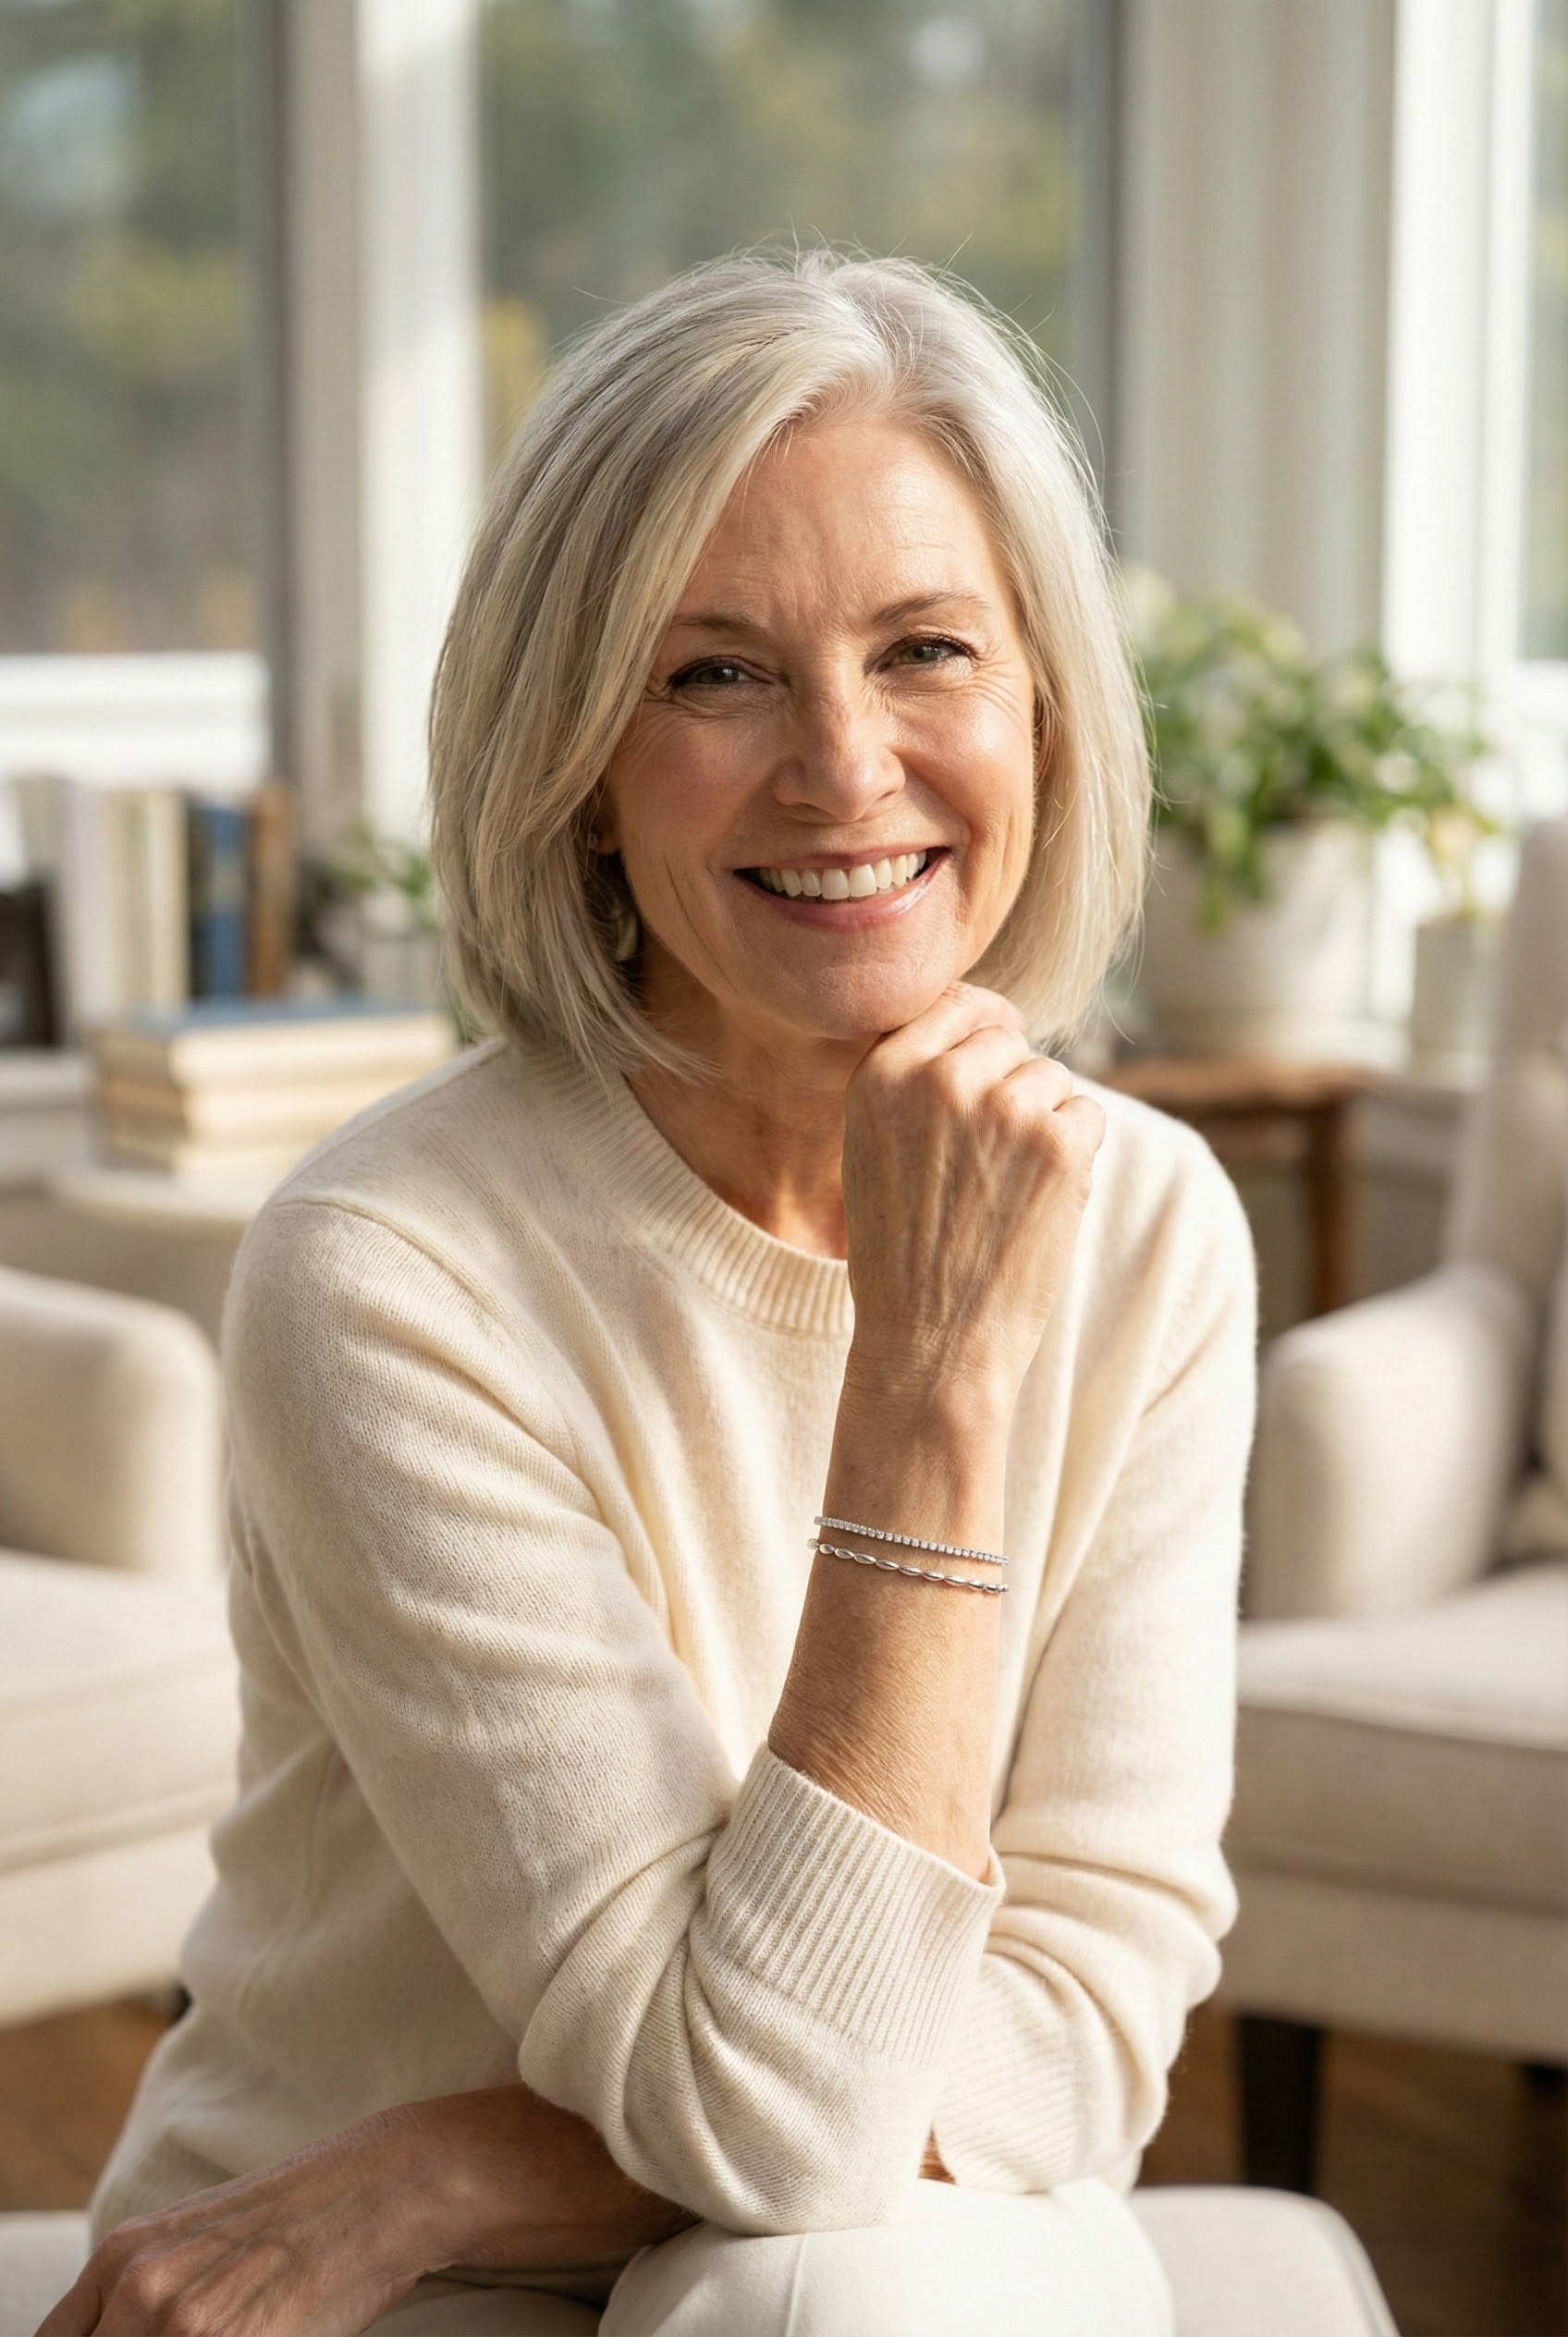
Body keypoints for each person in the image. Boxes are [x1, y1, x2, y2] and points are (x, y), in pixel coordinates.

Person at [44, 251, 1256, 2337]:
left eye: (925, 650)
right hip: (349, 2287)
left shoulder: (1148, 1226)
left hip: (663, 2205)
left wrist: (450, 2155)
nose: (842, 767)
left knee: (823, 2283)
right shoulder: (386, 1270)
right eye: (712, 674)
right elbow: (770, 2119)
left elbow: (1078, 2042)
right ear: (582, 760)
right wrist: (930, 1390)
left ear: (1040, 703)